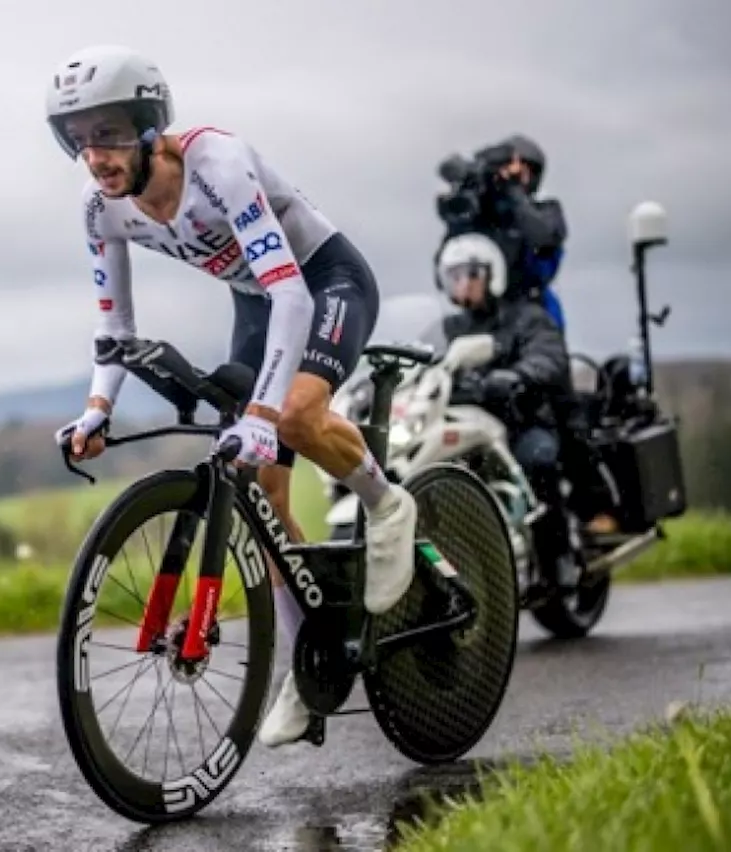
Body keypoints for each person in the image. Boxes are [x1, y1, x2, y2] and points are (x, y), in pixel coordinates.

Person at [45, 44, 418, 748]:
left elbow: (291, 293)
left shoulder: (217, 166)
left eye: (111, 132)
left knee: (298, 415)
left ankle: (387, 502)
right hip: (257, 303)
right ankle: (311, 664)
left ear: (151, 126)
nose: (95, 155)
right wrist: (98, 409)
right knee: (260, 494)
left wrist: (262, 412)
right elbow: (114, 325)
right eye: (79, 138)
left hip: (321, 281)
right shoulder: (101, 209)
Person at [435, 233, 582, 593]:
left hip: (521, 421)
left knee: (538, 463)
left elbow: (550, 357)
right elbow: (430, 360)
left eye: (470, 274)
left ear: (493, 275)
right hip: (469, 425)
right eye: (454, 276)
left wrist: (516, 375)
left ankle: (558, 557)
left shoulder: (526, 317)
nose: (462, 284)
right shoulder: (449, 328)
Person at [435, 134, 569, 329]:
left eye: (523, 171)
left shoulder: (544, 210)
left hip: (531, 314)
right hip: (479, 315)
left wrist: (510, 190)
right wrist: (468, 188)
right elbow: (443, 268)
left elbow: (544, 238)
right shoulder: (481, 216)